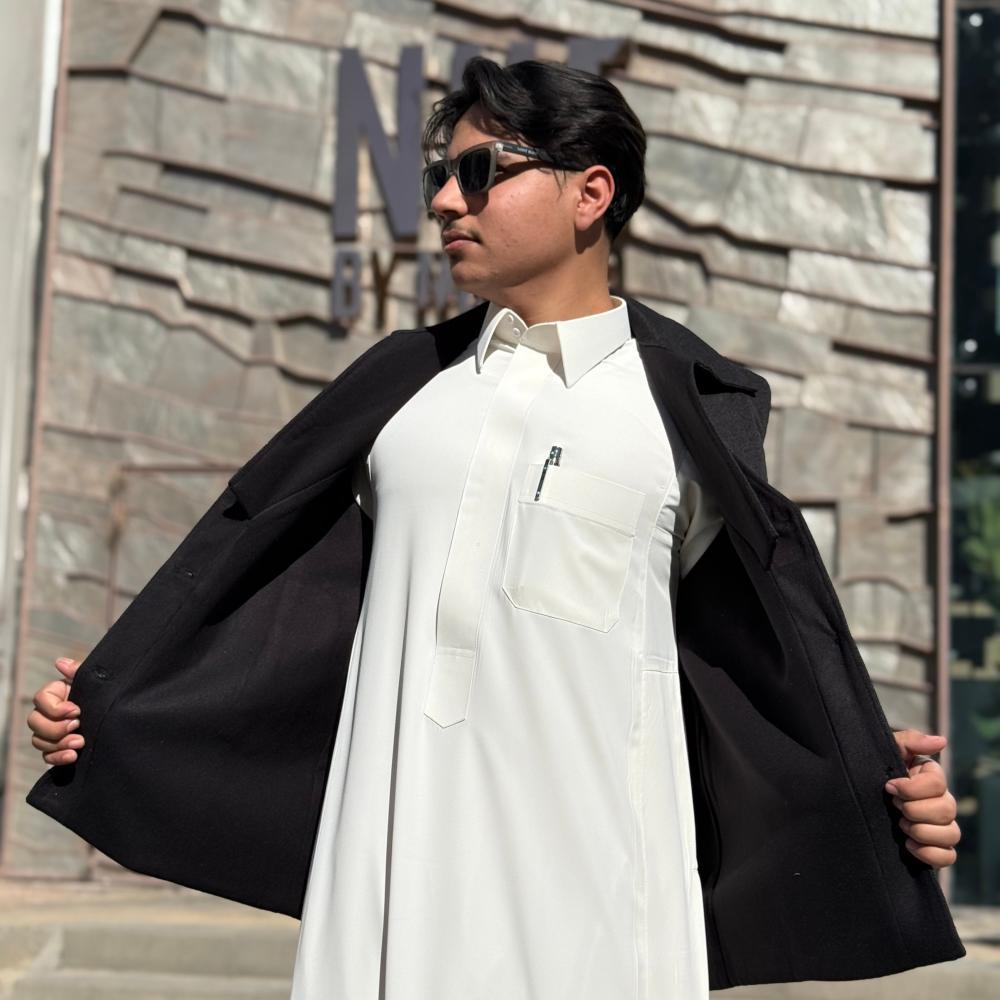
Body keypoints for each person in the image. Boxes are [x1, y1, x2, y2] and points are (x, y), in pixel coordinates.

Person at [26, 57, 961, 998]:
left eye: (480, 172)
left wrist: (875, 786)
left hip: (600, 929)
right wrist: (119, 703)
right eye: (442, 174)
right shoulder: (399, 397)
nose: (444, 200)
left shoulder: (682, 420)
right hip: (383, 910)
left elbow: (750, 669)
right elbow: (271, 611)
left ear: (591, 193)